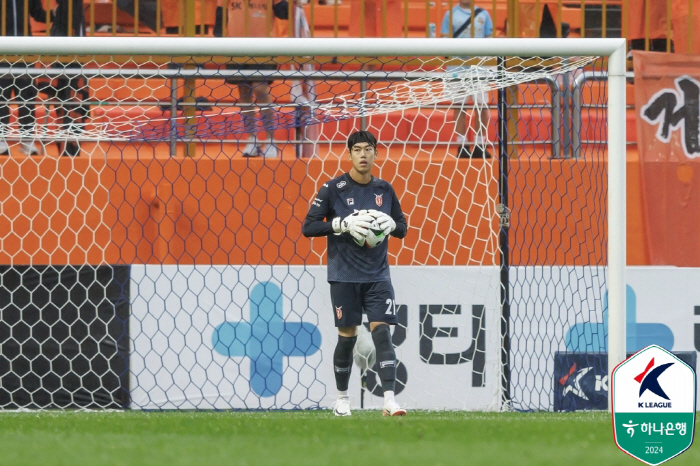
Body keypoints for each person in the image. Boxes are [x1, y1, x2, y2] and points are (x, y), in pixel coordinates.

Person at [302, 130, 408, 417]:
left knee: (383, 334)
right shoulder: (333, 188)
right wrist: (341, 225)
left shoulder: (384, 190)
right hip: (344, 276)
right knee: (347, 337)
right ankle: (341, 399)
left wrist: (388, 224)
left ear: (376, 153)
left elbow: (402, 227)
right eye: (357, 150)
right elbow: (308, 226)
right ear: (349, 154)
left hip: (377, 276)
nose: (363, 154)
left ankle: (389, 401)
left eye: (368, 149)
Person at [215, 0, 290, 158]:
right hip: (235, 45)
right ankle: (252, 139)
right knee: (244, 91)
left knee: (260, 88)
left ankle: (270, 139)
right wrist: (220, 39)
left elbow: (283, 12)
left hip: (263, 45)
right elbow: (221, 14)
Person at [441, 0, 493, 158]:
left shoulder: (484, 14)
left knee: (481, 105)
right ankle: (462, 144)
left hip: (479, 67)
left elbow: (489, 39)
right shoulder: (450, 15)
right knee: (459, 106)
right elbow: (445, 39)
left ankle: (480, 143)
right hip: (457, 66)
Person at [0, 0, 49, 156]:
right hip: (2, 51)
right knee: (2, 95)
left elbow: (38, 14)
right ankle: (1, 139)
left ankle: (27, 140)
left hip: (24, 50)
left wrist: (58, 13)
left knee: (27, 95)